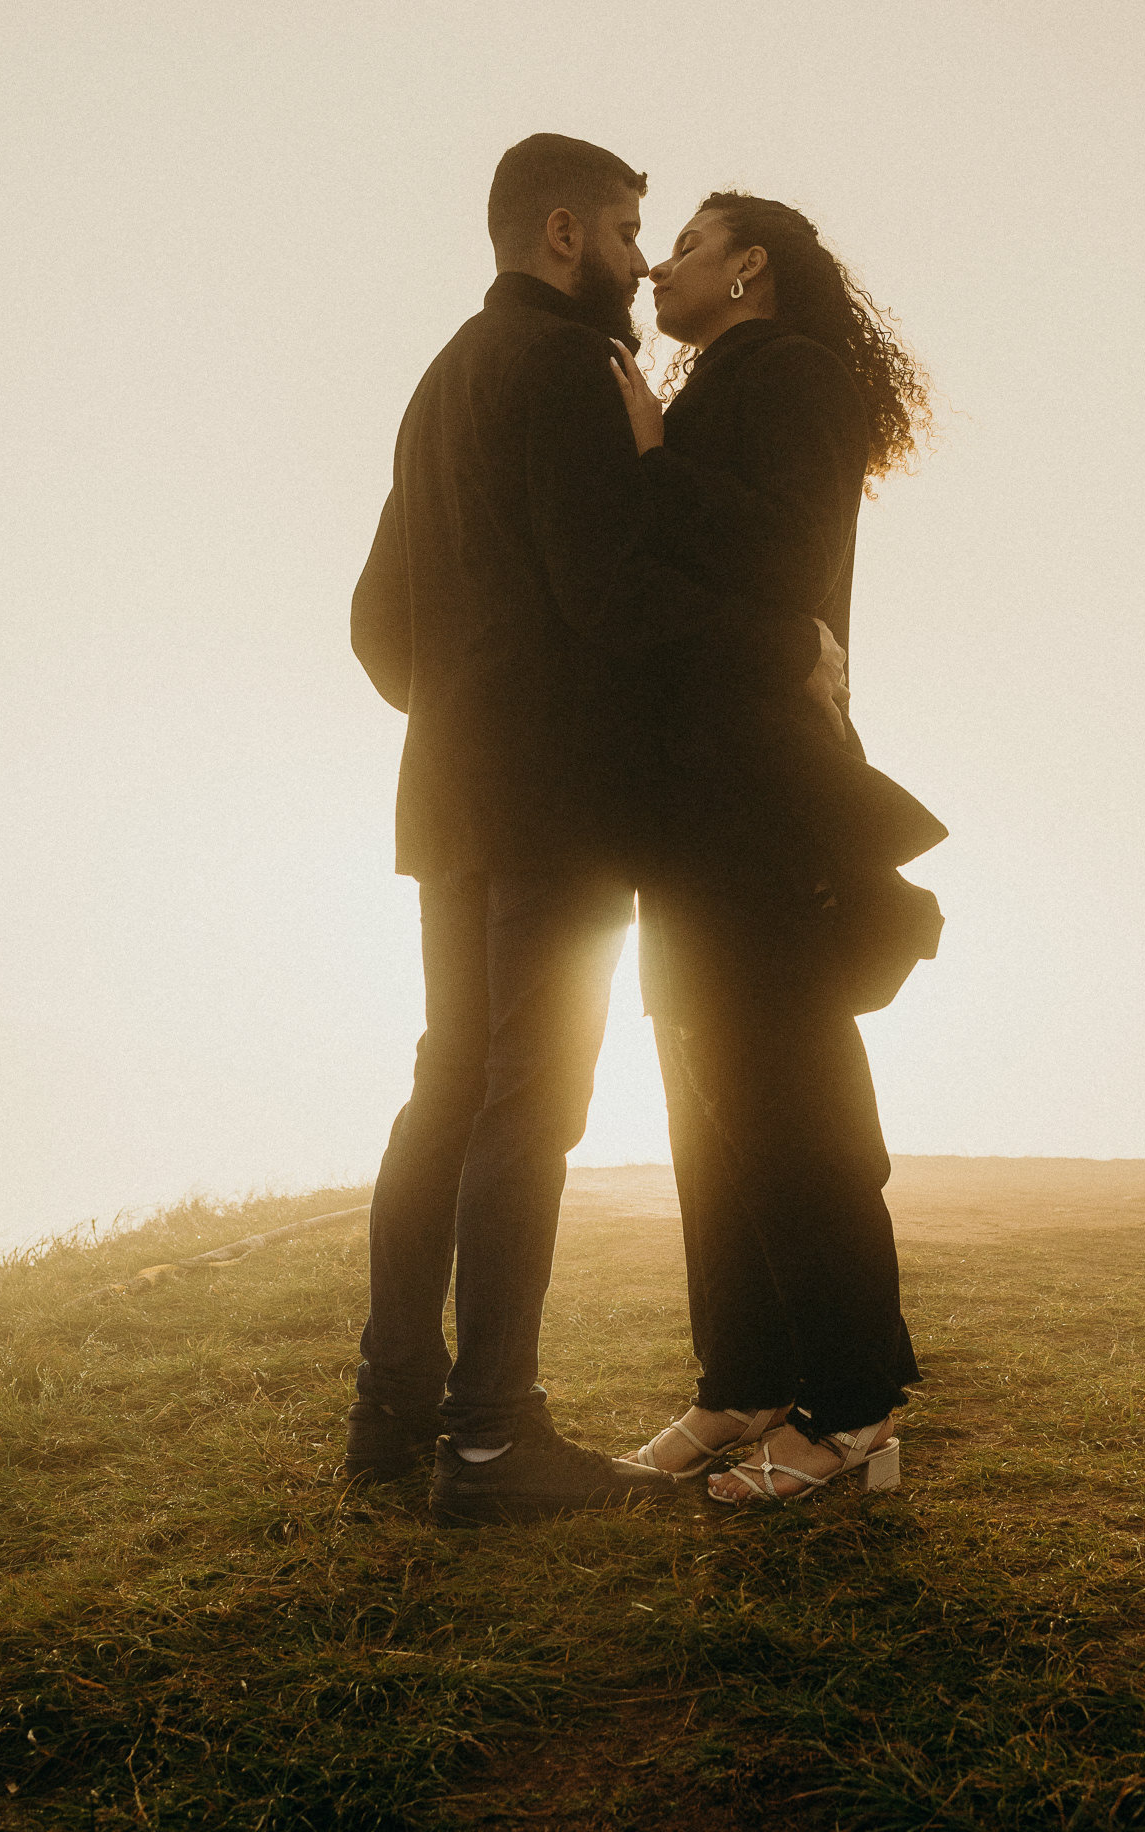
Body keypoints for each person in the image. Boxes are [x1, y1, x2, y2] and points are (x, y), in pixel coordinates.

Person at [346, 139, 845, 1522]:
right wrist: (786, 647)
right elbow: (614, 593)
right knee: (529, 1103)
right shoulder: (572, 368)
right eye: (629, 230)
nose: (639, 258)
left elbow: (377, 624)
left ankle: (390, 1414)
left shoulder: (443, 374)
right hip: (555, 803)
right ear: (564, 234)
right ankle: (491, 1444)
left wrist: (463, 714)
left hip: (448, 797)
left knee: (447, 1088)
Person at [607, 192, 940, 1507]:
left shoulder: (793, 373)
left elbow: (785, 557)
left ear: (751, 265)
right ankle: (741, 1380)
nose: (662, 265)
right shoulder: (720, 385)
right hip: (697, 799)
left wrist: (650, 458)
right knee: (707, 1096)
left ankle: (855, 1407)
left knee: (790, 1098)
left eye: (689, 244)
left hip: (766, 797)